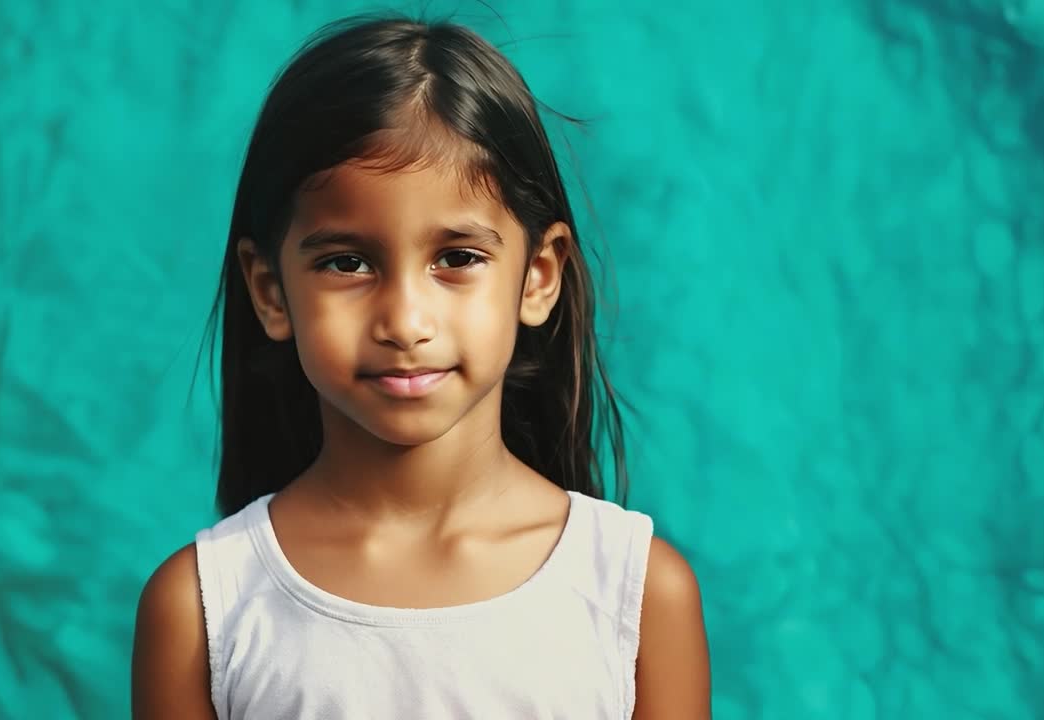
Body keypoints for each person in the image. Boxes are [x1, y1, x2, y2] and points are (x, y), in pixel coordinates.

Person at [131, 14, 710, 719]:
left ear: (538, 277)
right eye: (347, 263)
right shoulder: (201, 612)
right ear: (270, 290)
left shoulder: (638, 596)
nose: (405, 322)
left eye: (457, 258)